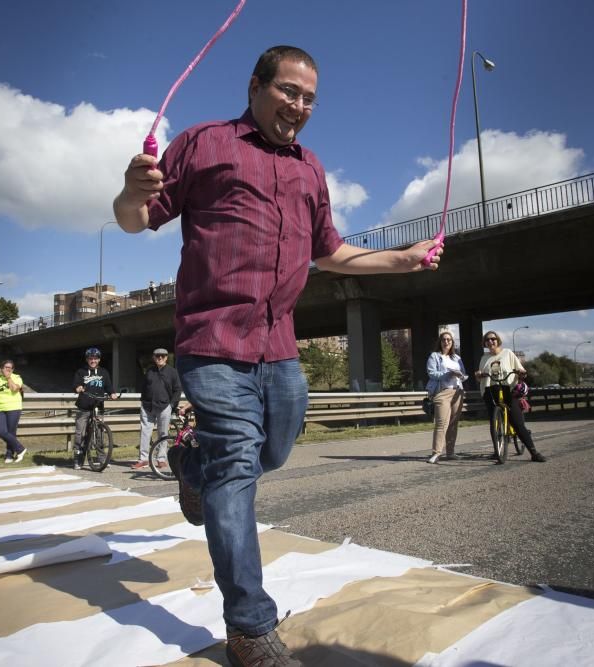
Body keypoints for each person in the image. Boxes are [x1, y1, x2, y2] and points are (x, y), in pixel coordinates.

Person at [113, 45, 442, 666]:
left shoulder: (310, 169)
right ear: (257, 86)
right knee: (237, 465)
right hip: (211, 340)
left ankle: (190, 465)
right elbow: (135, 219)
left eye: (310, 98)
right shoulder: (202, 142)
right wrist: (130, 192)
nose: (299, 105)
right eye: (289, 91)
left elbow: (331, 253)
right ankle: (250, 628)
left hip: (280, 347)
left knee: (275, 447)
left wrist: (403, 259)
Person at [474, 331, 546, 463]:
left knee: (517, 423)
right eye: (487, 340)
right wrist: (478, 375)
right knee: (493, 422)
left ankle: (534, 452)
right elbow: (480, 377)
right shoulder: (484, 358)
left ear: (498, 340)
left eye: (493, 339)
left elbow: (521, 371)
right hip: (490, 390)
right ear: (484, 343)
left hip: (508, 389)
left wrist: (521, 373)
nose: (490, 342)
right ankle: (498, 451)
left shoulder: (508, 353)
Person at [134, 348, 182, 471]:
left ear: (166, 358)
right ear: (154, 358)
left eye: (162, 356)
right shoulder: (149, 371)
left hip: (164, 406)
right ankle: (143, 459)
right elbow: (144, 387)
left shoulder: (172, 372)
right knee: (145, 433)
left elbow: (177, 389)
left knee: (163, 434)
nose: (159, 358)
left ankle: (161, 459)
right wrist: (143, 401)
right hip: (147, 406)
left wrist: (172, 405)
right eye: (157, 356)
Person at [72, 347, 118, 470]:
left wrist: (112, 393)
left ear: (99, 359)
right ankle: (78, 459)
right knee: (80, 434)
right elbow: (76, 385)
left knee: (99, 433)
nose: (93, 361)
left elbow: (109, 387)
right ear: (87, 359)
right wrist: (78, 388)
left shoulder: (104, 372)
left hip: (98, 406)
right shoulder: (81, 372)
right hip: (84, 406)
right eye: (91, 358)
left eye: (95, 358)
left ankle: (102, 459)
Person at [425, 331, 468, 464]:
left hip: (457, 392)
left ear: (452, 342)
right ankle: (436, 453)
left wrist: (460, 375)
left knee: (453, 423)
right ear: (440, 341)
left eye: (449, 340)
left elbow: (464, 375)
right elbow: (432, 373)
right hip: (442, 392)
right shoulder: (435, 356)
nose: (447, 342)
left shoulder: (457, 358)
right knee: (441, 423)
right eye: (444, 339)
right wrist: (448, 374)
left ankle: (450, 452)